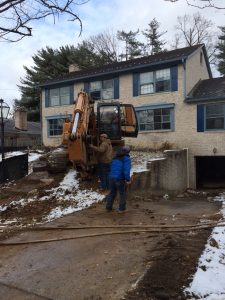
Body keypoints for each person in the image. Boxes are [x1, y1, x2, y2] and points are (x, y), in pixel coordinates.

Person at [106, 145, 131, 213]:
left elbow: (110, 167)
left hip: (111, 177)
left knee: (112, 192)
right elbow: (126, 170)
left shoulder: (115, 157)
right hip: (119, 178)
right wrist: (128, 179)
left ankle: (108, 207)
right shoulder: (126, 159)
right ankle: (121, 209)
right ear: (128, 152)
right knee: (122, 193)